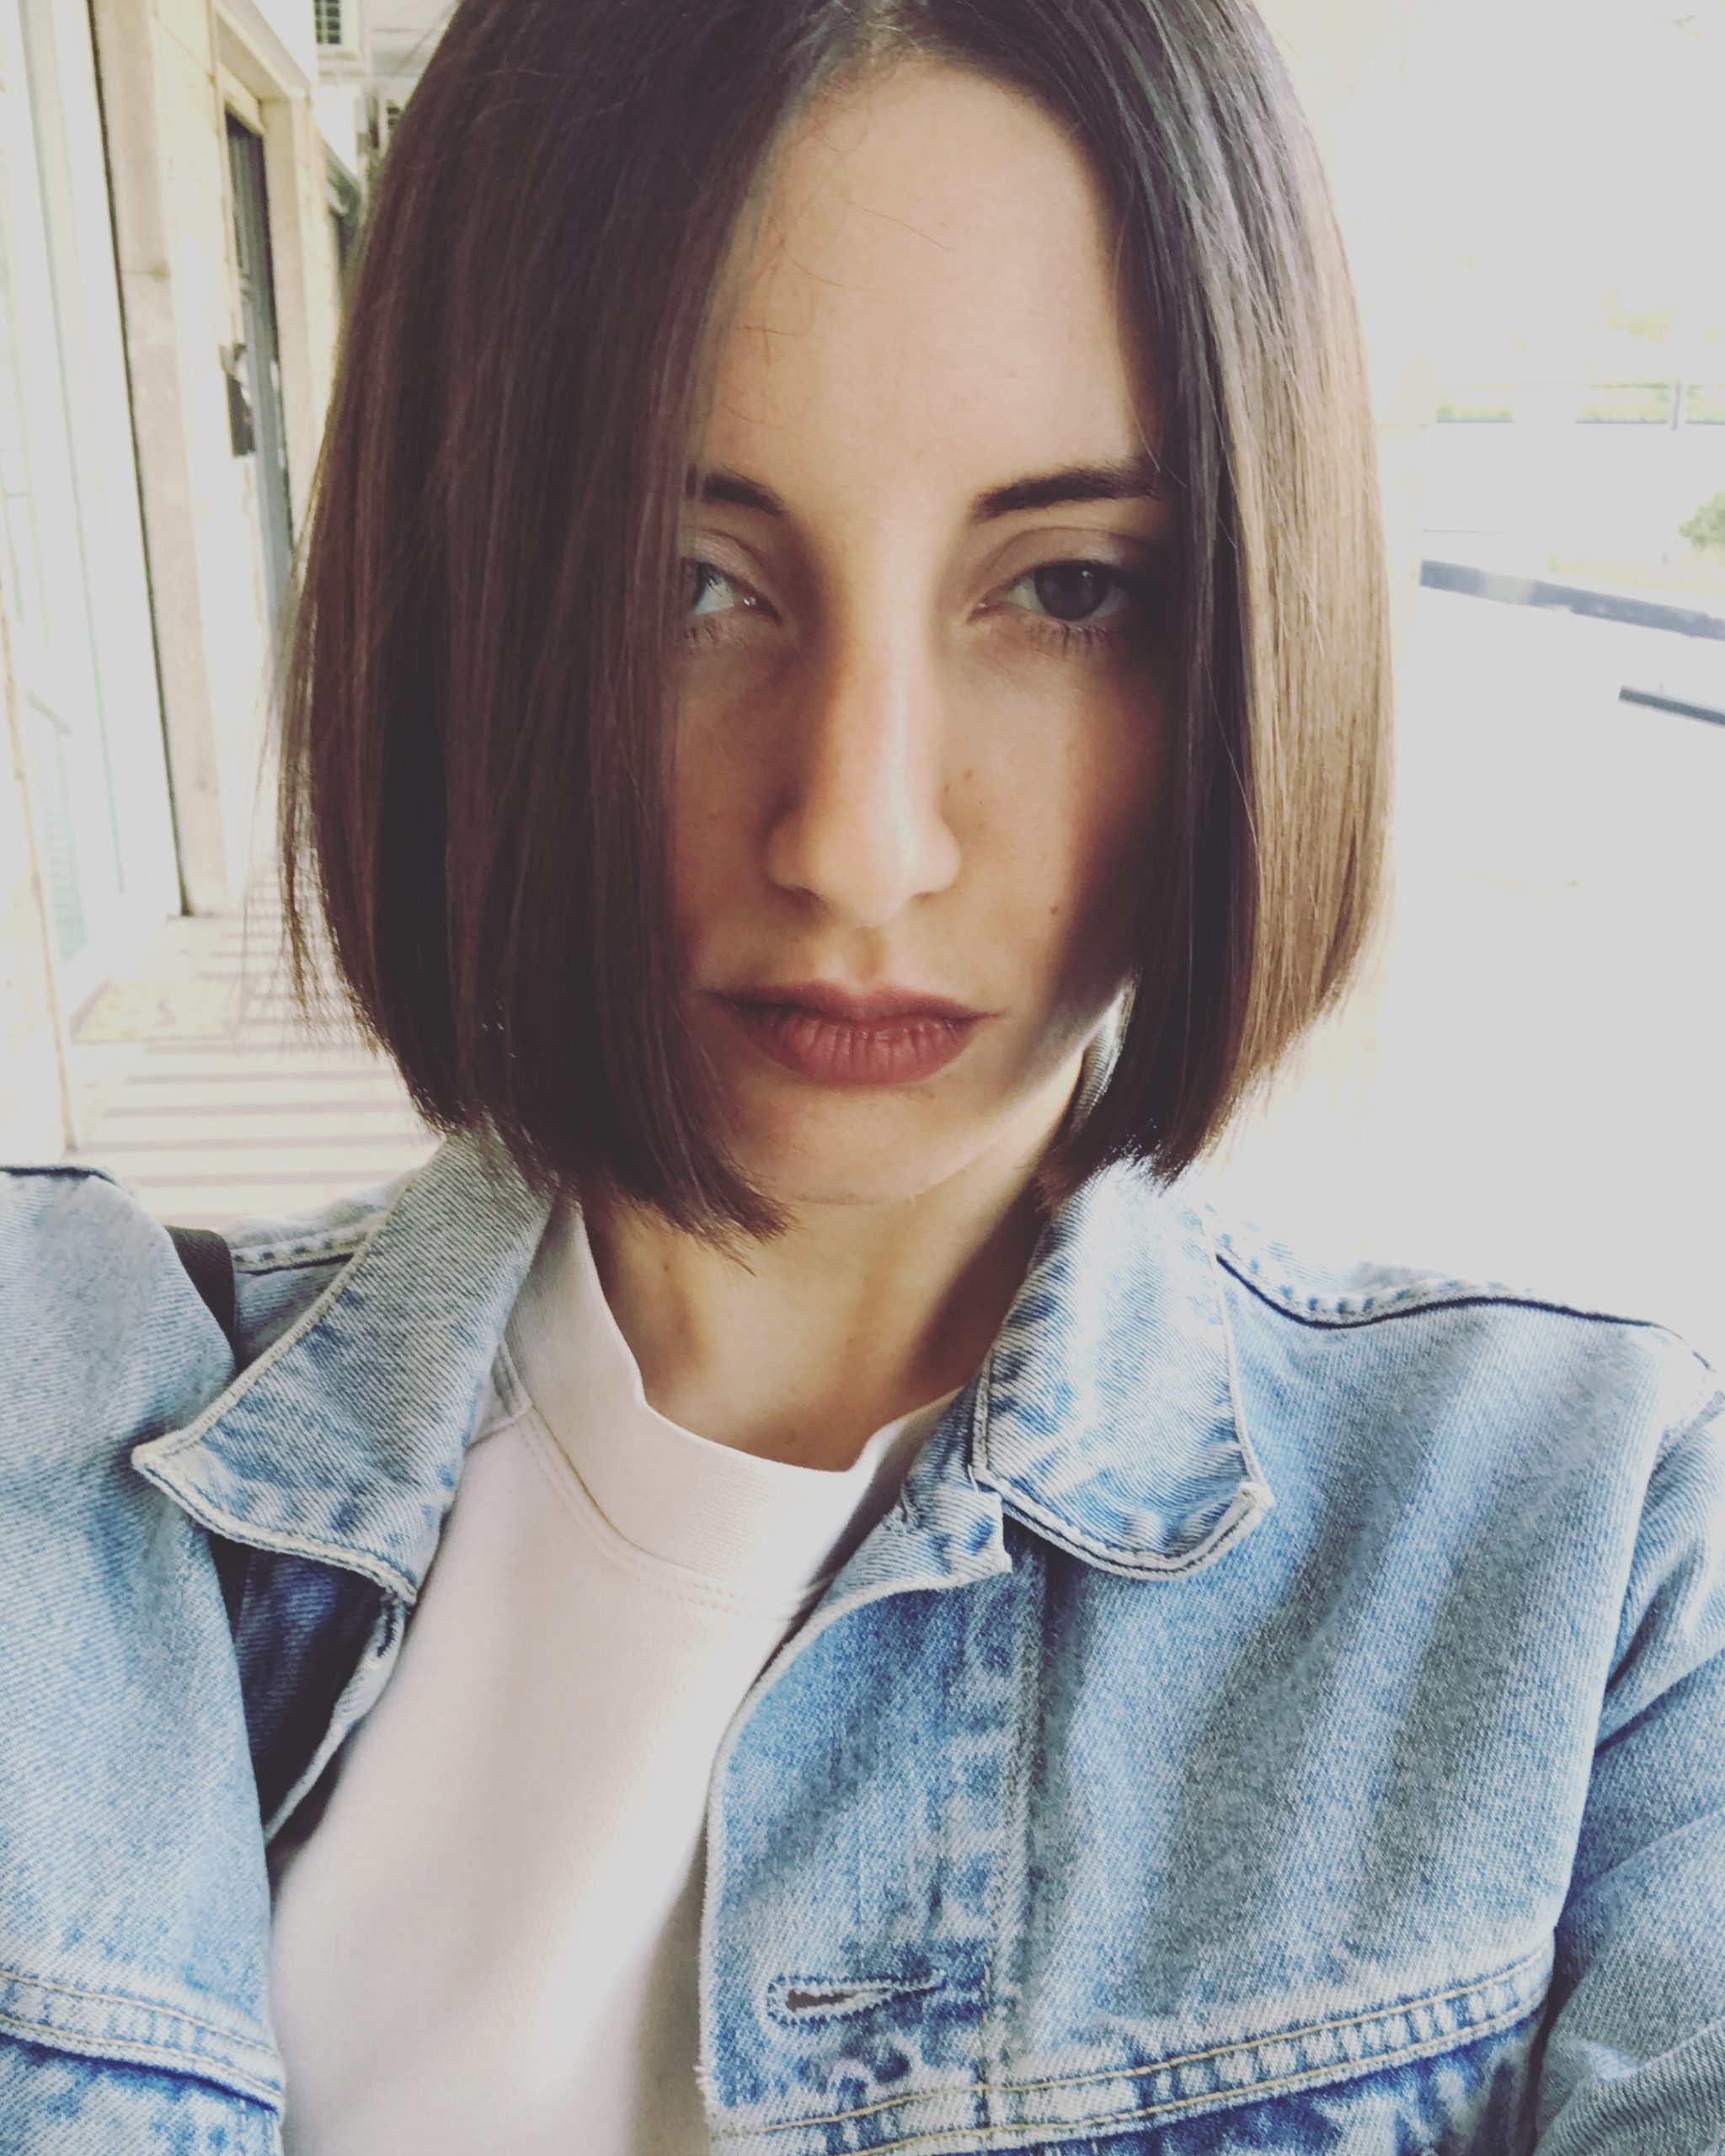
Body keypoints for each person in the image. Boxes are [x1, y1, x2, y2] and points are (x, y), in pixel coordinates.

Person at [1, 0, 1721, 2150]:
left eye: (1067, 588)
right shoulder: (62, 1436)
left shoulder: (1589, 1554)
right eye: (685, 583)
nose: (857, 840)